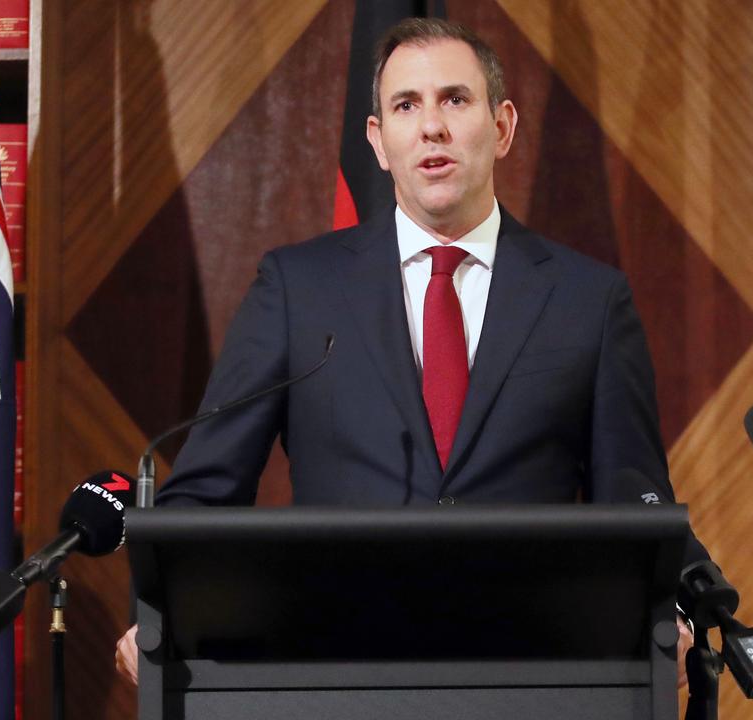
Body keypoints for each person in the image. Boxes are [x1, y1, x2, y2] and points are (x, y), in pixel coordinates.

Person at [116, 17, 706, 687]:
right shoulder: (299, 289)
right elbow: (203, 496)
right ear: (378, 140)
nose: (432, 127)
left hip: (534, 678)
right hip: (332, 673)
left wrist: (676, 614)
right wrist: (155, 615)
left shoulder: (587, 300)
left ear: (503, 126)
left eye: (455, 99)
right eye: (406, 105)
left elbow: (639, 505)